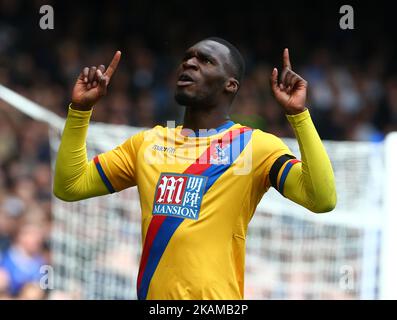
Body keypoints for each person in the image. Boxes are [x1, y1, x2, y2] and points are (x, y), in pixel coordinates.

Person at [53, 37, 336, 300]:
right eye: (188, 58)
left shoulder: (255, 146)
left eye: (206, 60)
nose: (189, 63)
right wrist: (80, 110)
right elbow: (70, 186)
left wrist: (298, 115)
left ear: (230, 85)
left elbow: (321, 199)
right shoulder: (147, 144)